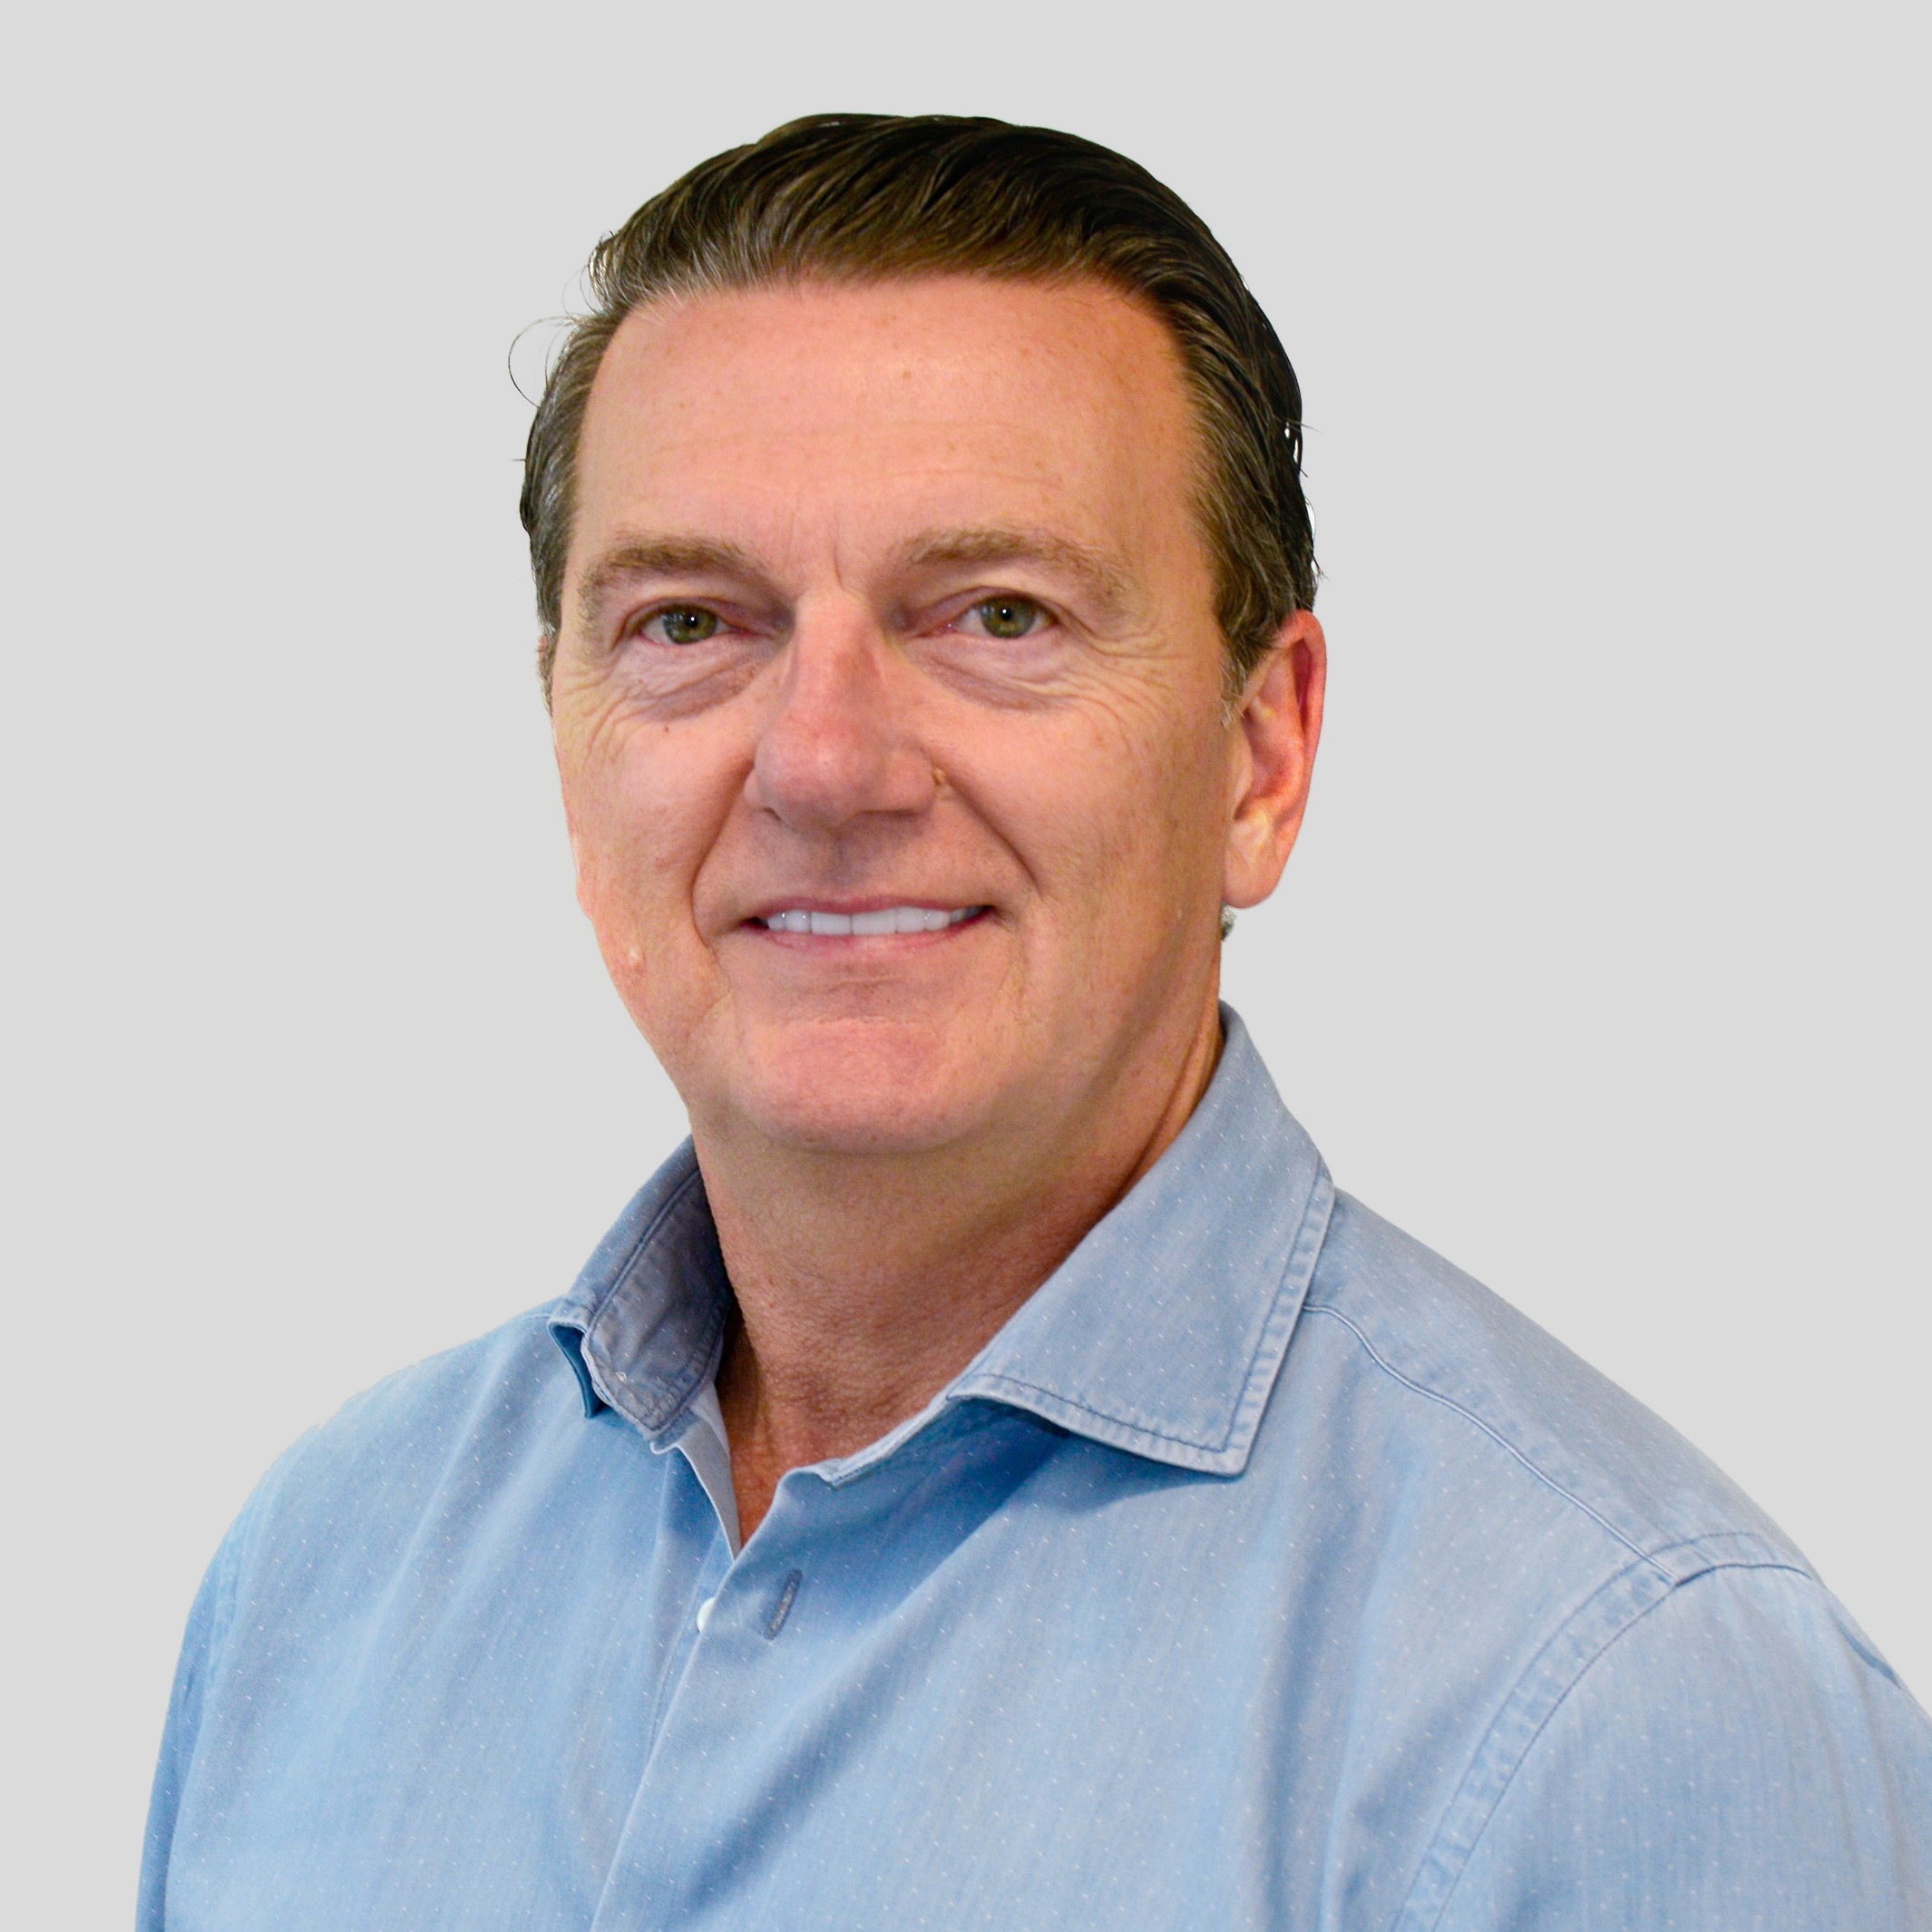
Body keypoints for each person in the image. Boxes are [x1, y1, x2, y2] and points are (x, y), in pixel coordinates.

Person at [139, 113, 1931, 1930]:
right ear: (565, 733)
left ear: (1261, 754)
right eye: (689, 623)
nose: (824, 763)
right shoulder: (321, 1577)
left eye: (998, 614)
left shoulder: (1625, 1704)